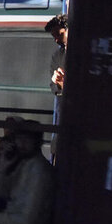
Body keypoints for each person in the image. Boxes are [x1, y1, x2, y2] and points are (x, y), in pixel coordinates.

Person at [44, 14, 68, 160]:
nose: (56, 40)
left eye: (59, 34)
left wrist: (63, 84)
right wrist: (58, 83)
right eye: (54, 36)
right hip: (63, 107)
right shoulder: (57, 56)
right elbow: (53, 86)